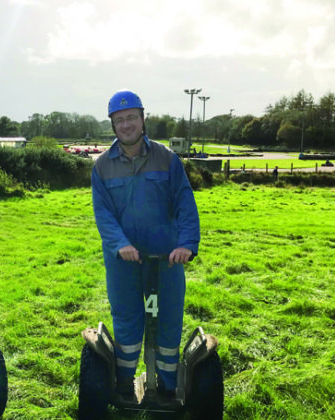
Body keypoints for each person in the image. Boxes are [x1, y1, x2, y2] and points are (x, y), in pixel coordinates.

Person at [91, 90, 200, 398]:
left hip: (167, 257)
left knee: (168, 320)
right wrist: (120, 244)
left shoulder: (167, 159)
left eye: (132, 118)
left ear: (142, 119)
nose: (126, 125)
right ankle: (124, 384)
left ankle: (167, 386)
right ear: (113, 124)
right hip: (123, 259)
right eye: (119, 120)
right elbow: (104, 214)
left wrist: (187, 244)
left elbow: (185, 204)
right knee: (126, 320)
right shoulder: (101, 167)